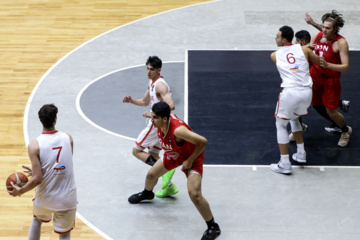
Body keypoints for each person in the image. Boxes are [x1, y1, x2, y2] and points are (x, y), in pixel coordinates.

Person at [128, 102, 221, 240]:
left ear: (164, 119)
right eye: (152, 117)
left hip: (191, 158)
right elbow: (172, 114)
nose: (151, 120)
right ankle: (147, 194)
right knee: (152, 174)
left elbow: (203, 141)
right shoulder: (163, 121)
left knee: (194, 194)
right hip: (173, 154)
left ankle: (213, 227)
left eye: (154, 118)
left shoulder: (178, 131)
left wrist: (189, 160)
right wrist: (152, 114)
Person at [8, 104, 77, 240]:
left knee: (37, 220)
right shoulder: (68, 138)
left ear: (40, 120)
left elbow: (37, 179)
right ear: (55, 119)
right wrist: (41, 170)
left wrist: (20, 191)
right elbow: (64, 164)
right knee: (65, 234)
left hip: (45, 198)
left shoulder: (34, 145)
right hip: (67, 199)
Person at [122, 56, 178, 197]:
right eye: (147, 68)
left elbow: (171, 105)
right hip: (161, 124)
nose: (148, 71)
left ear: (159, 70)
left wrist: (153, 114)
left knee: (136, 150)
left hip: (156, 124)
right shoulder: (151, 83)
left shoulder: (160, 85)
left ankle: (166, 170)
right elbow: (144, 101)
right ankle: (169, 187)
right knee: (153, 154)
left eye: (151, 69)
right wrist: (131, 101)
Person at [270, 26, 321, 174]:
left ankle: (284, 163)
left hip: (291, 93)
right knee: (294, 120)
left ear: (284, 39)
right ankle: (301, 154)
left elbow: (287, 59)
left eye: (277, 36)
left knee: (280, 125)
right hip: (307, 93)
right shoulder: (304, 50)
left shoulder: (274, 55)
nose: (275, 38)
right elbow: (319, 61)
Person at [306, 10, 352, 147]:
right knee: (316, 105)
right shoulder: (318, 36)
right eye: (323, 27)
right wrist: (307, 47)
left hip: (330, 80)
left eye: (328, 28)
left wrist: (328, 65)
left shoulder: (341, 43)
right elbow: (309, 52)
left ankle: (345, 130)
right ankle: (337, 124)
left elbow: (346, 67)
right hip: (315, 76)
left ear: (335, 29)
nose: (324, 30)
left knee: (331, 112)